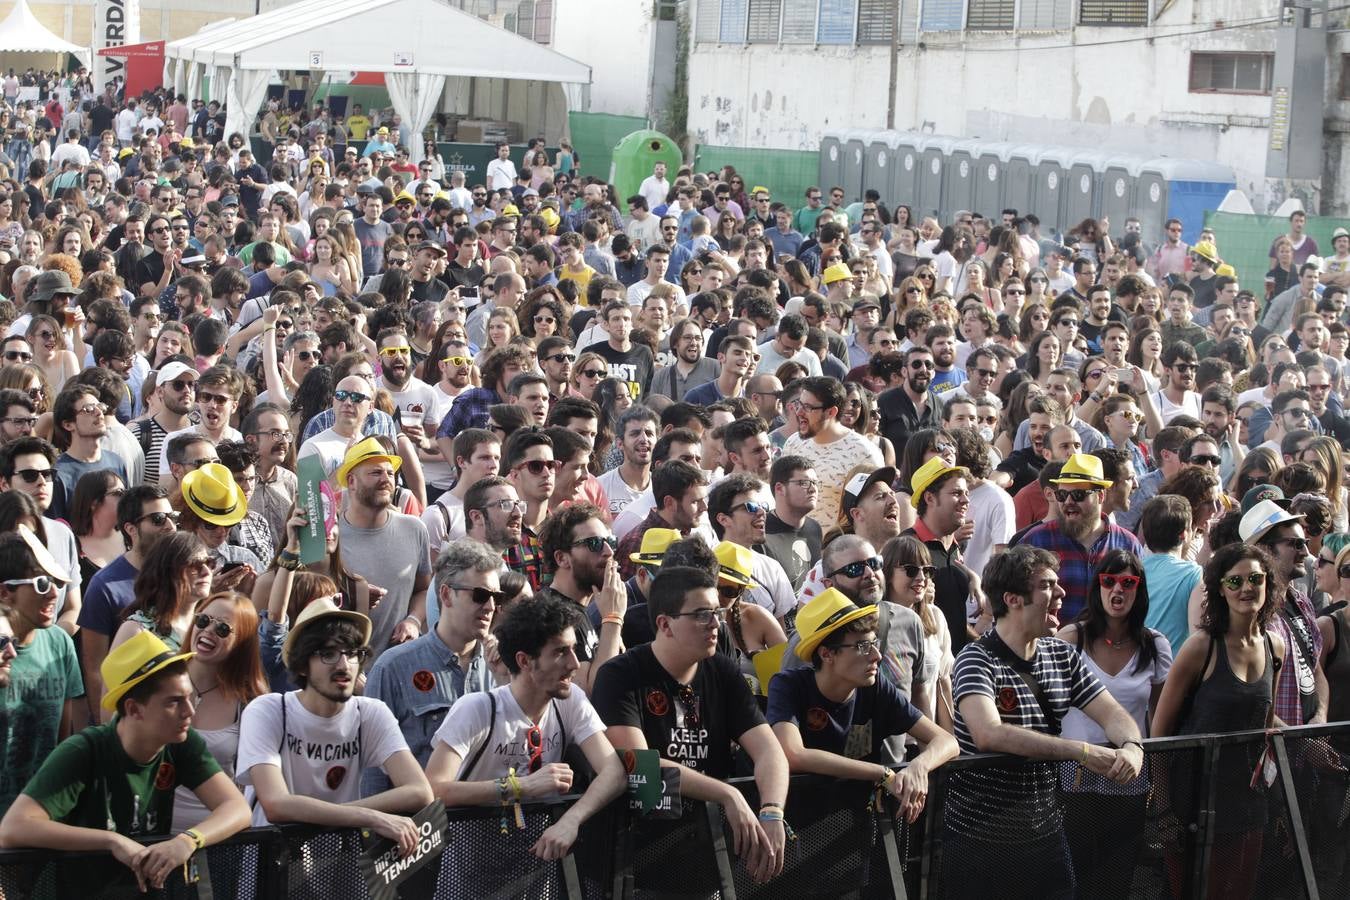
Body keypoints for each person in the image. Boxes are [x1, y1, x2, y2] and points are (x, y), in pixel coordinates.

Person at [945, 545, 1143, 900]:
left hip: (1046, 833)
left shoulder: (1061, 653)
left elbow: (1112, 713)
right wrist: (1081, 752)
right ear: (1013, 599)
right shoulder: (975, 658)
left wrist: (1132, 745)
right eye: (1048, 585)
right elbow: (989, 733)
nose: (1062, 593)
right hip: (979, 836)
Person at [0, 630, 251, 892]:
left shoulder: (182, 744)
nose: (189, 711)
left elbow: (238, 809)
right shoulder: (83, 751)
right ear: (133, 709)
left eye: (190, 698)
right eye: (174, 702)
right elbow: (14, 827)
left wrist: (188, 841)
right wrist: (112, 841)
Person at [592, 567, 789, 886]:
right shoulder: (620, 675)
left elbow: (770, 751)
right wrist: (727, 793)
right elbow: (639, 765)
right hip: (632, 863)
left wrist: (771, 811)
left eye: (716, 612)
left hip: (706, 856)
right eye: (701, 615)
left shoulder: (722, 670)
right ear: (665, 624)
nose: (715, 624)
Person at [424, 596, 627, 863]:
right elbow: (433, 790)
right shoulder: (476, 708)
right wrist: (520, 786)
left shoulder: (571, 701)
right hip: (471, 875)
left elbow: (614, 771)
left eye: (574, 650)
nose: (575, 664)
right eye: (560, 652)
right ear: (524, 661)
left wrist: (572, 820)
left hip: (538, 868)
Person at [235, 597, 434, 854]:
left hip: (337, 865)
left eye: (352, 653)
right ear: (303, 664)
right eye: (328, 654)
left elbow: (420, 791)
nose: (343, 665)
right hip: (274, 865)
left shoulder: (370, 713)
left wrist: (342, 814)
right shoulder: (269, 710)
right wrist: (370, 816)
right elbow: (276, 804)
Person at [1152, 543, 1286, 900]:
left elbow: (1267, 722)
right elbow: (1160, 733)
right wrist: (1164, 808)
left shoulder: (1275, 647)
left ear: (1268, 583)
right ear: (1220, 589)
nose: (1246, 588)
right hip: (1192, 801)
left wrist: (1313, 742)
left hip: (1247, 802)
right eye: (1235, 580)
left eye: (1255, 578)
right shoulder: (1201, 647)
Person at [767, 588, 957, 823]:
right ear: (827, 654)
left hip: (855, 824)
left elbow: (947, 741)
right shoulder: (788, 685)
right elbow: (793, 754)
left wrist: (919, 765)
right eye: (862, 646)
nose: (877, 655)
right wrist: (882, 773)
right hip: (794, 822)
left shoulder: (876, 687)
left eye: (874, 643)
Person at [1054, 551, 1172, 898]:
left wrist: (1160, 788)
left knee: (1117, 881)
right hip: (1074, 776)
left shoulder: (1154, 645)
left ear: (1139, 589)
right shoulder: (1071, 639)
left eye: (1128, 582)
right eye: (1109, 581)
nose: (1117, 590)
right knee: (1074, 878)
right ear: (1098, 587)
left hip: (1129, 776)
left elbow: (1160, 719)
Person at [362, 540, 496, 793]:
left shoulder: (501, 669)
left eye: (496, 597)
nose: (490, 606)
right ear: (446, 594)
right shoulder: (393, 667)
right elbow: (372, 770)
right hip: (417, 826)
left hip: (485, 825)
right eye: (480, 595)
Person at [0, 525, 83, 815]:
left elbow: (64, 741)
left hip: (41, 816)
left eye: (55, 582)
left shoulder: (60, 643)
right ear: (5, 592)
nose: (53, 594)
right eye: (40, 584)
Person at [334, 437, 432, 659]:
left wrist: (414, 620)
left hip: (397, 668)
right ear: (351, 481)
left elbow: (424, 589)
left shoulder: (415, 529)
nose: (386, 479)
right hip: (344, 667)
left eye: (390, 473)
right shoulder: (331, 537)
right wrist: (352, 598)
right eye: (376, 473)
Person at [1022, 453, 1144, 624]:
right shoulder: (1036, 540)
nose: (1068, 501)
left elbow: (1140, 602)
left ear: (1101, 496)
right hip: (1050, 646)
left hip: (1106, 647)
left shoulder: (1127, 544)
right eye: (1062, 495)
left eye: (1078, 495)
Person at [782, 376, 883, 528]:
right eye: (798, 404)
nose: (799, 412)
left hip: (841, 547)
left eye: (808, 407)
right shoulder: (793, 443)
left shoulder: (864, 452)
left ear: (831, 412)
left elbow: (877, 508)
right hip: (796, 544)